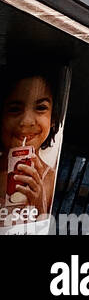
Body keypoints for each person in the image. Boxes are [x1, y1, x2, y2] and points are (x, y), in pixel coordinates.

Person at [0, 65, 65, 233]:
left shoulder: (51, 179)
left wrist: (39, 207)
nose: (27, 121)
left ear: (53, 118)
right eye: (14, 109)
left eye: (41, 108)